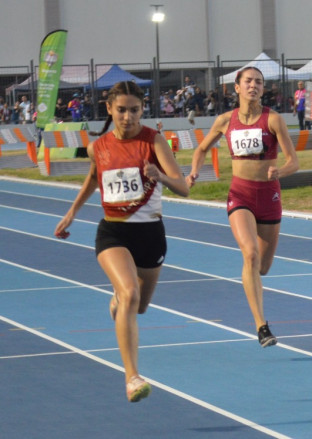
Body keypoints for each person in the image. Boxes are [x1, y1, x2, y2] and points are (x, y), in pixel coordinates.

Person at [53, 81, 190, 402]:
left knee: (138, 306)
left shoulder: (153, 141)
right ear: (110, 110)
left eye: (134, 110)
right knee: (129, 293)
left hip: (150, 235)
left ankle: (118, 302)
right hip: (113, 232)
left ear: (142, 110)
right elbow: (92, 177)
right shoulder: (98, 146)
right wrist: (72, 213)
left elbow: (183, 187)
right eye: (122, 110)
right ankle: (132, 377)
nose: (128, 117)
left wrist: (160, 176)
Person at [187, 67, 299, 347]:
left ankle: (254, 285)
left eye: (259, 82)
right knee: (249, 254)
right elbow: (201, 149)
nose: (254, 86)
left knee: (262, 267)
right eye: (248, 81)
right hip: (241, 195)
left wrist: (280, 172)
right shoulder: (225, 120)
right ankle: (261, 325)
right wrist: (193, 173)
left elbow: (293, 161)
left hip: (269, 196)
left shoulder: (272, 119)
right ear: (236, 88)